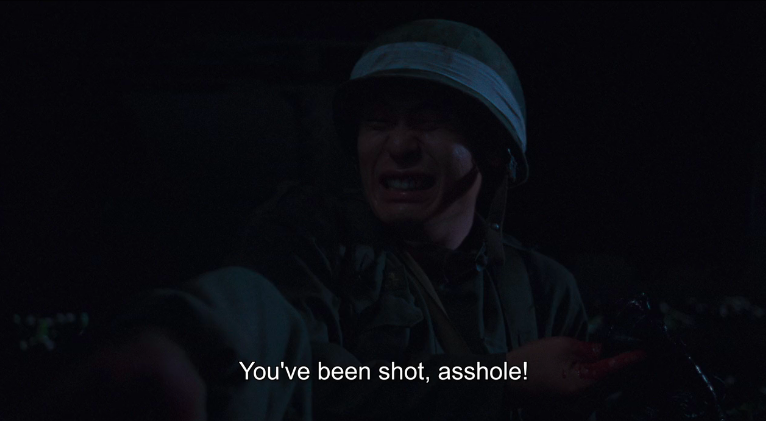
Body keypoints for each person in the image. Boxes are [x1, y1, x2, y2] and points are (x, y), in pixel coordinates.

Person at [21, 19, 645, 421]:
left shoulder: (541, 290)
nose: (397, 146)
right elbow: (292, 380)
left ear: (493, 154)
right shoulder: (309, 238)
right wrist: (501, 379)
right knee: (245, 306)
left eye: (428, 122)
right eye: (378, 123)